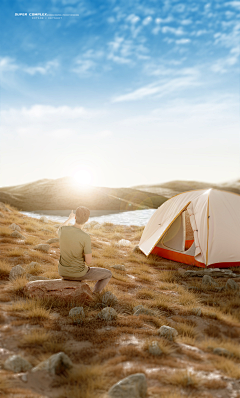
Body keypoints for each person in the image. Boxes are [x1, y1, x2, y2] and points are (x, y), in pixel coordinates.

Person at [57, 206, 112, 293]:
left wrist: (69, 219)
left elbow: (59, 228)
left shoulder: (63, 230)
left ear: (75, 217)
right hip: (78, 273)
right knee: (108, 274)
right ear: (87, 220)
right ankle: (95, 294)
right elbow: (88, 261)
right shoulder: (85, 237)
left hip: (63, 272)